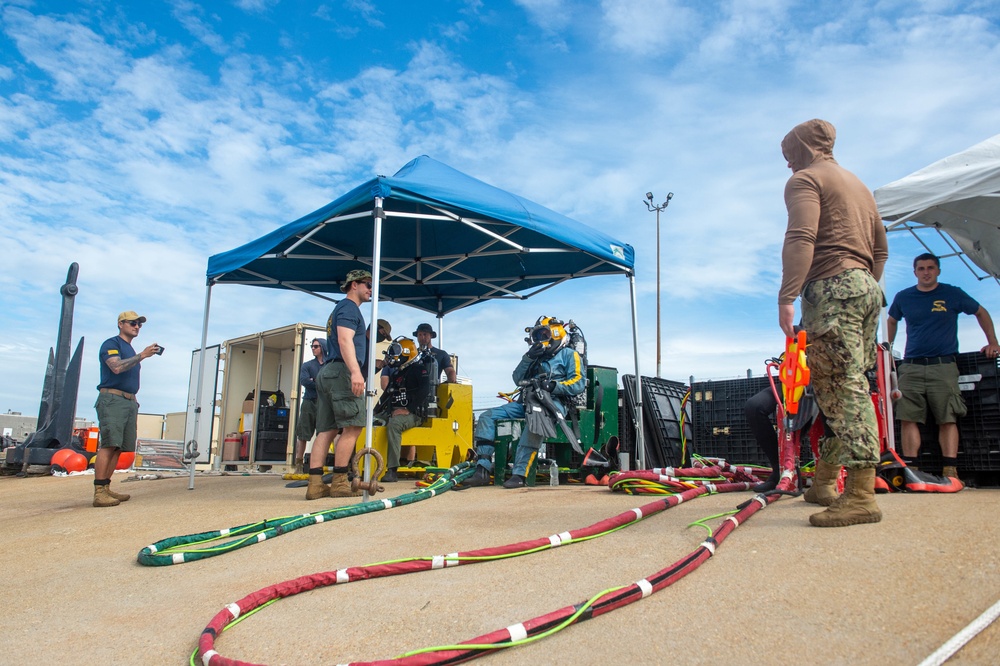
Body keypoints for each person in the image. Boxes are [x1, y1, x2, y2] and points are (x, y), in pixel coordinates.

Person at [778, 118, 888, 527]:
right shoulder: (858, 185)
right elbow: (881, 249)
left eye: (790, 156)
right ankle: (825, 481)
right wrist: (861, 286)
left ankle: (860, 494)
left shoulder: (805, 180)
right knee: (842, 386)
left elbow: (801, 236)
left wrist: (788, 295)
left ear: (804, 147)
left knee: (842, 388)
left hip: (830, 286)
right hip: (865, 287)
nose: (788, 166)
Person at [886, 253, 1000, 480]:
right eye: (921, 268)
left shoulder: (952, 293)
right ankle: (913, 470)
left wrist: (993, 341)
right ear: (915, 272)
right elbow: (891, 320)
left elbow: (980, 312)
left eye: (930, 268)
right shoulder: (904, 297)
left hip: (944, 365)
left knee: (947, 417)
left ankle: (950, 469)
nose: (926, 272)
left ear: (938, 270)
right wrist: (888, 349)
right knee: (908, 417)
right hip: (911, 366)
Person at [463, 316, 585, 489]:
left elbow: (578, 382)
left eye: (544, 334)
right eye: (538, 335)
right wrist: (527, 358)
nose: (540, 339)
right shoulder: (535, 358)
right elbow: (517, 379)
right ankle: (482, 469)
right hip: (527, 401)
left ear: (556, 334)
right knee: (487, 417)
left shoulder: (569, 355)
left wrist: (553, 385)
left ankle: (520, 474)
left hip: (554, 402)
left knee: (536, 422)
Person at [306, 268, 372, 499]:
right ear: (354, 284)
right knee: (353, 426)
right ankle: (340, 482)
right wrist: (356, 372)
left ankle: (315, 485)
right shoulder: (348, 308)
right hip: (341, 371)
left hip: (328, 371)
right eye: (367, 284)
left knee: (326, 429)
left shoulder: (339, 309)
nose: (370, 289)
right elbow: (345, 340)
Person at [93, 310, 160, 507]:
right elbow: (116, 367)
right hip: (112, 399)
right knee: (109, 444)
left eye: (139, 324)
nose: (137, 326)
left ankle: (105, 487)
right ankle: (98, 492)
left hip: (128, 401)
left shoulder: (129, 349)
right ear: (121, 324)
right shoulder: (111, 344)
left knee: (119, 447)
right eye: (132, 323)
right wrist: (142, 355)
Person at [397, 322, 459, 467]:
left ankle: (425, 460)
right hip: (411, 397)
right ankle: (404, 461)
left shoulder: (441, 354)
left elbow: (450, 370)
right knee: (407, 427)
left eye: (425, 334)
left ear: (431, 336)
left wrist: (452, 381)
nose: (422, 337)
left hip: (432, 397)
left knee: (430, 426)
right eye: (419, 334)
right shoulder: (413, 354)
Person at [293, 337, 327, 475]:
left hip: (324, 404)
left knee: (323, 434)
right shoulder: (307, 365)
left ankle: (319, 465)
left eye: (316, 346)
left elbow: (329, 382)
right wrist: (320, 383)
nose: (313, 348)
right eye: (312, 346)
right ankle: (298, 465)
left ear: (323, 347)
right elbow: (304, 381)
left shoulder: (329, 365)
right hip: (308, 402)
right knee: (303, 434)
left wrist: (314, 381)